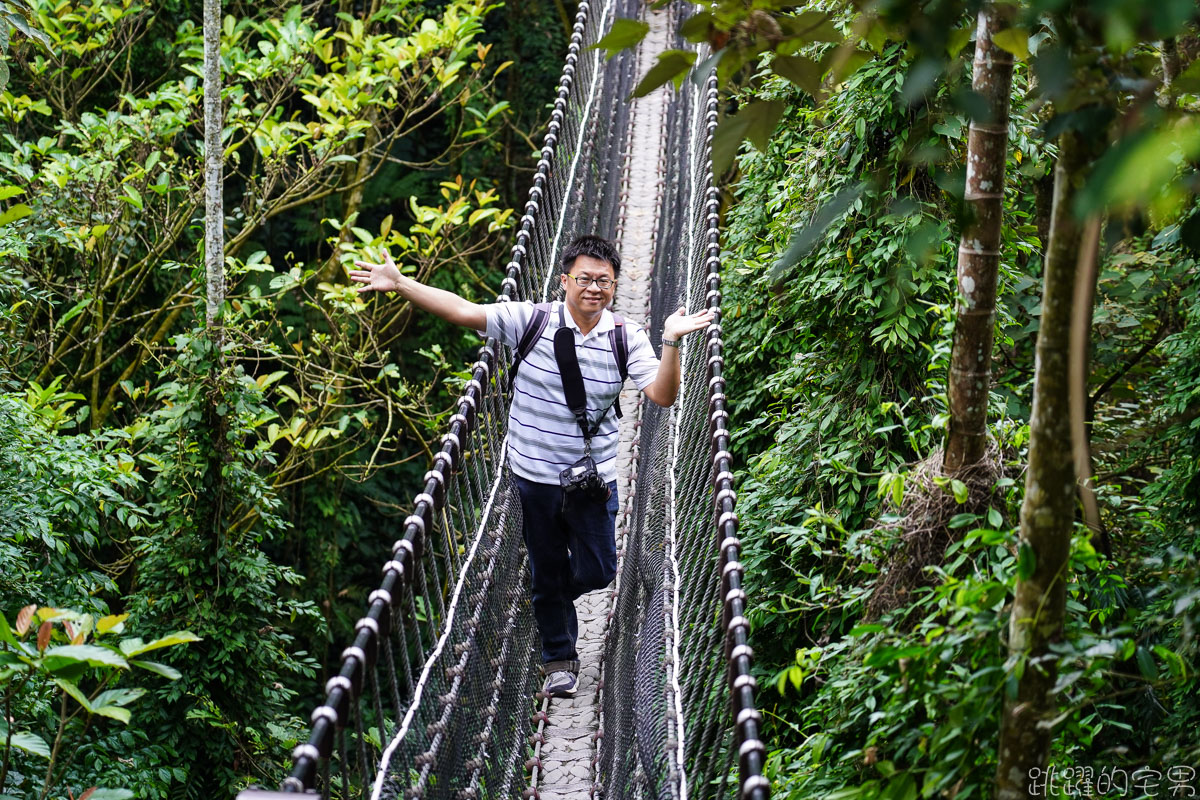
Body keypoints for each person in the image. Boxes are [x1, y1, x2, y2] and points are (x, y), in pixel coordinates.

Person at [350, 235, 713, 697]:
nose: (594, 288)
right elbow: (463, 311)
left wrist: (671, 342)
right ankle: (559, 660)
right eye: (584, 279)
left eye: (603, 281)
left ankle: (547, 594)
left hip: (592, 479)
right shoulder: (532, 320)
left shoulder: (627, 337)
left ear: (615, 286)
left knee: (600, 571)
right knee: (546, 565)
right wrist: (401, 284)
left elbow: (662, 395)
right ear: (565, 281)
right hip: (534, 478)